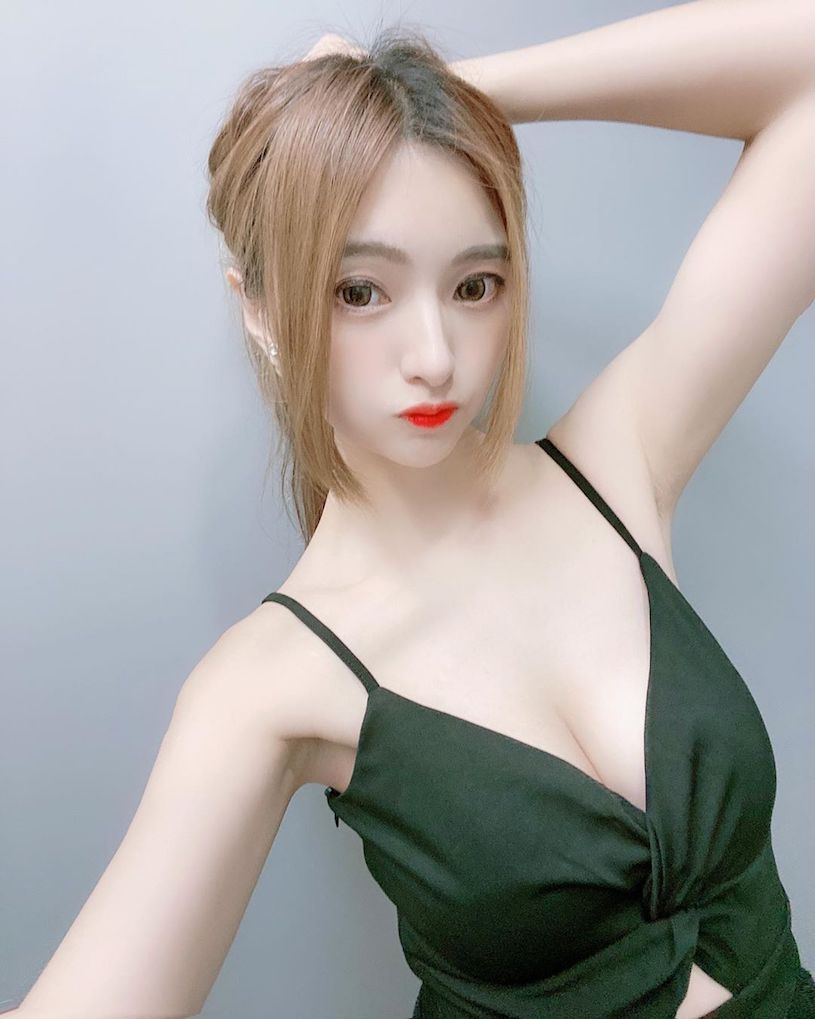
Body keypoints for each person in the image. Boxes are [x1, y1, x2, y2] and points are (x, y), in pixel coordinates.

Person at [14, 3, 815, 1016]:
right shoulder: (267, 685)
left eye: (474, 284)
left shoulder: (615, 468)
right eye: (361, 291)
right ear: (258, 308)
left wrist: (441, 95)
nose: (433, 355)